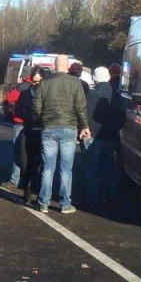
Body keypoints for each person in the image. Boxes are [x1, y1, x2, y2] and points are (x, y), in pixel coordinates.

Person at [34, 54, 90, 213]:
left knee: (48, 168)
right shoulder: (75, 82)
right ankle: (65, 204)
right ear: (67, 67)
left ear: (54, 66)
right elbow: (81, 107)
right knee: (66, 169)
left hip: (49, 127)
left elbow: (36, 105)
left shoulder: (44, 83)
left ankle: (43, 202)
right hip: (69, 128)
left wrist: (41, 119)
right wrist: (84, 126)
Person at [84, 66, 126, 207]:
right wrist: (115, 130)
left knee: (92, 168)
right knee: (109, 168)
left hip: (94, 136)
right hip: (111, 137)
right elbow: (122, 117)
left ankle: (92, 197)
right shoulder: (116, 95)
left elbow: (87, 114)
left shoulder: (93, 93)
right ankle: (110, 195)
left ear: (94, 78)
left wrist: (86, 129)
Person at [13, 67, 48, 203]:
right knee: (26, 163)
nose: (36, 84)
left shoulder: (47, 95)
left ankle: (39, 193)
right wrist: (30, 117)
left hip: (43, 133)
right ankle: (26, 191)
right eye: (34, 81)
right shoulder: (25, 94)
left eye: (39, 81)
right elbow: (17, 111)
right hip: (28, 132)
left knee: (42, 166)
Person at [3, 70, 33, 187]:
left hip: (19, 122)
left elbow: (10, 99)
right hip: (32, 124)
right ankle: (29, 180)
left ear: (23, 76)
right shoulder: (36, 87)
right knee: (31, 153)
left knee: (17, 151)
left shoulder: (19, 88)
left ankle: (14, 179)